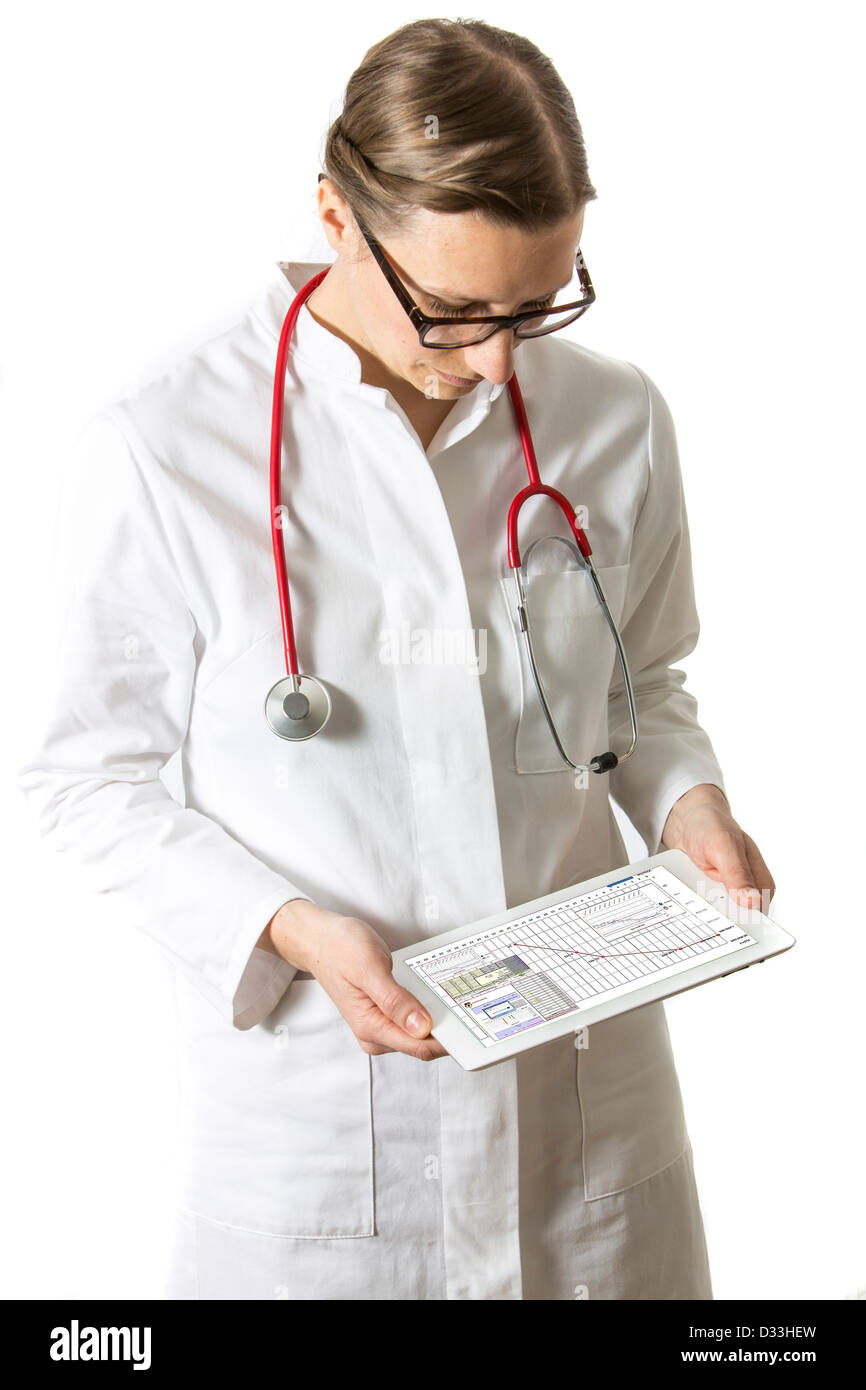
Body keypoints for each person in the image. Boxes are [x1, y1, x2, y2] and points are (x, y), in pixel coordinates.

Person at [17, 16, 775, 1300]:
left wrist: (687, 803)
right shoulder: (162, 443)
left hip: (587, 1117)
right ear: (334, 213)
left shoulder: (612, 415)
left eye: (538, 304)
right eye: (455, 308)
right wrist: (288, 927)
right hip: (321, 1131)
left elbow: (642, 696)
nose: (493, 358)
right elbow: (81, 779)